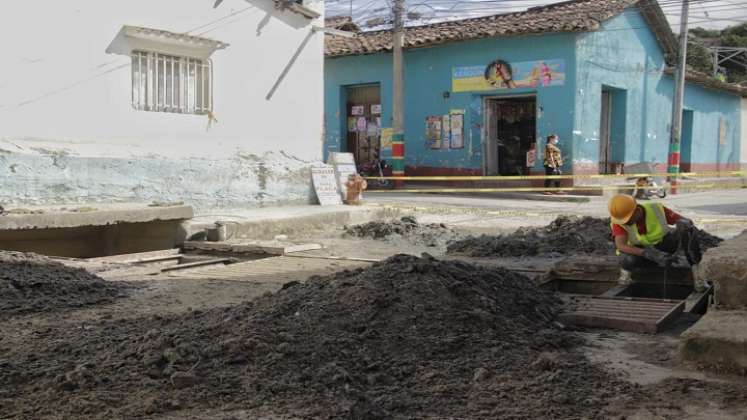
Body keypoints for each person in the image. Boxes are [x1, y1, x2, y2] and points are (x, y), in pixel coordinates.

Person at [608, 194, 701, 273]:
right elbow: (621, 245)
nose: (625, 222)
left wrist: (685, 223)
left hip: (663, 245)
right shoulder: (619, 221)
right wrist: (648, 254)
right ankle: (635, 275)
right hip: (640, 253)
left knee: (688, 230)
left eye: (628, 220)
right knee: (629, 261)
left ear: (636, 210)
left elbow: (684, 221)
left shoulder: (655, 209)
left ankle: (696, 269)